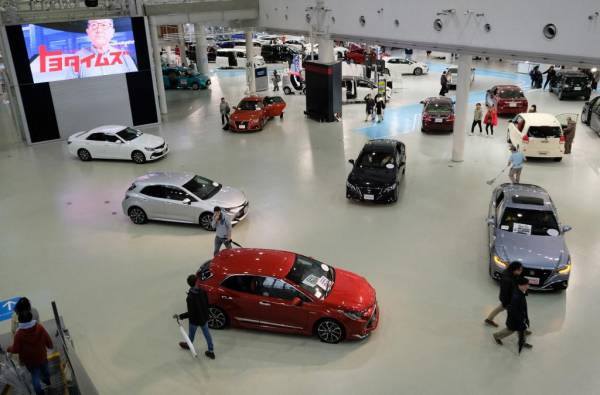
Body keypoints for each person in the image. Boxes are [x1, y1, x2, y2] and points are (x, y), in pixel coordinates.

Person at [71, 19, 138, 78]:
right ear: (88, 32)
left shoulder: (124, 57)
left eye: (104, 25)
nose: (99, 30)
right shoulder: (76, 58)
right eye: (94, 25)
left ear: (112, 32)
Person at [7, 311, 54, 395]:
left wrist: (9, 349)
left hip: (30, 361)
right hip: (42, 356)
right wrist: (50, 345)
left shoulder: (19, 334)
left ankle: (40, 393)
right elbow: (47, 338)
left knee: (35, 376)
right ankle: (47, 383)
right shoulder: (39, 327)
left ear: (20, 322)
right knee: (46, 370)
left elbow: (16, 349)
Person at [174, 274, 215, 360]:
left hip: (195, 321)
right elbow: (207, 304)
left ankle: (189, 344)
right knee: (207, 334)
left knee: (191, 334)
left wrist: (180, 316)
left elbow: (191, 313)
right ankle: (211, 351)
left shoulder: (190, 297)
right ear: (196, 282)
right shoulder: (203, 291)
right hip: (204, 318)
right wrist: (207, 315)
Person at [493, 277, 533, 353]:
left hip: (520, 317)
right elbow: (512, 310)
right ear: (520, 285)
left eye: (528, 284)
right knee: (510, 330)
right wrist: (520, 320)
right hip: (515, 318)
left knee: (522, 329)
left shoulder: (520, 292)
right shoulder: (516, 297)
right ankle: (497, 336)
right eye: (526, 285)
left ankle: (522, 341)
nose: (528, 286)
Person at [485, 261, 523, 327]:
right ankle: (522, 329)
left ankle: (489, 319)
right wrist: (507, 302)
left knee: (500, 308)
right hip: (508, 300)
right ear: (514, 269)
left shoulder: (510, 273)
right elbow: (505, 292)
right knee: (516, 314)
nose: (521, 271)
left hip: (508, 299)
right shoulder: (507, 279)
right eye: (519, 270)